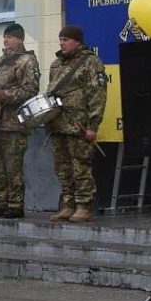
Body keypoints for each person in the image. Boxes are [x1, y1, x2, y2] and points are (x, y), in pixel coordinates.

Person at [44, 25, 108, 223]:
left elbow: (97, 94)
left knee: (80, 166)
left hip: (78, 125)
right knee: (62, 168)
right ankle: (68, 204)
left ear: (77, 41)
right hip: (58, 125)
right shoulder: (56, 65)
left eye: (66, 39)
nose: (62, 43)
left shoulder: (90, 62)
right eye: (60, 39)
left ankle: (83, 206)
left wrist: (93, 125)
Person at [0, 22, 40, 219]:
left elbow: (31, 89)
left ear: (20, 39)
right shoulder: (0, 61)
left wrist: (6, 95)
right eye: (5, 37)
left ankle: (16, 203)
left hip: (15, 122)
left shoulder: (27, 61)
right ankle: (2, 201)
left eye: (9, 37)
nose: (5, 40)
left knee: (13, 165)